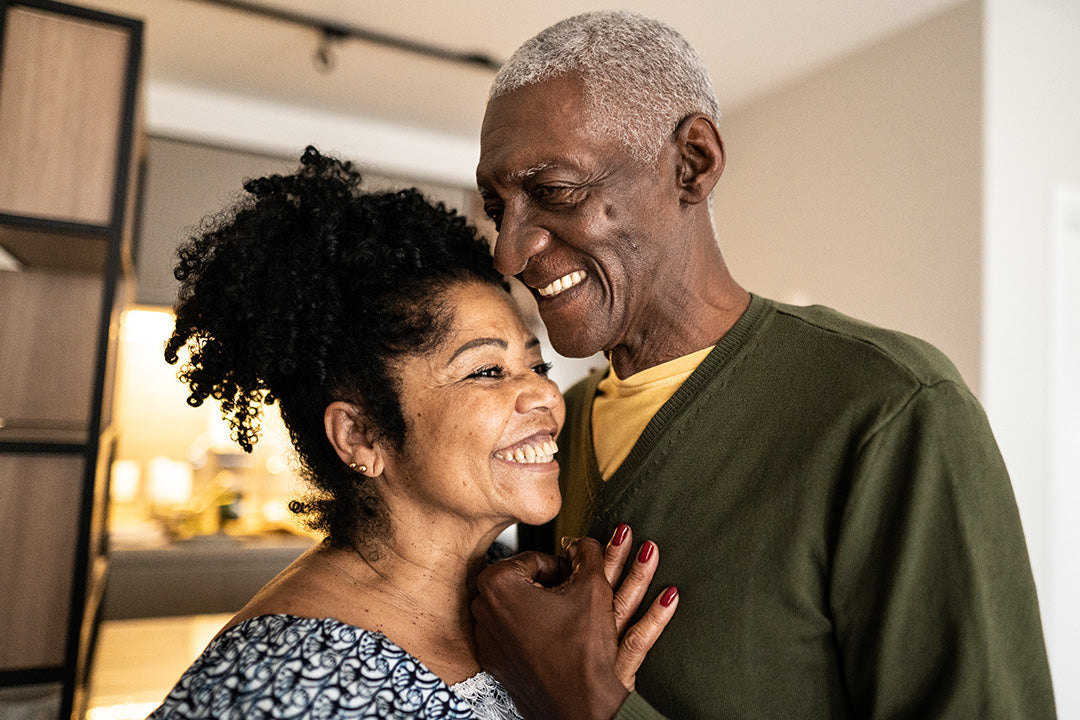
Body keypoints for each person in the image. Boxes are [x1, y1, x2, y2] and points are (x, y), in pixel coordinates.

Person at [471, 10, 1057, 720]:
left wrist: (594, 706)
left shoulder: (890, 413)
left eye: (556, 191)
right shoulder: (552, 439)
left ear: (692, 163)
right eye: (497, 206)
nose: (507, 251)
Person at [147, 147, 676, 720]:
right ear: (360, 436)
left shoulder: (523, 601)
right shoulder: (275, 684)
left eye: (536, 366)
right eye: (486, 371)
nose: (547, 394)